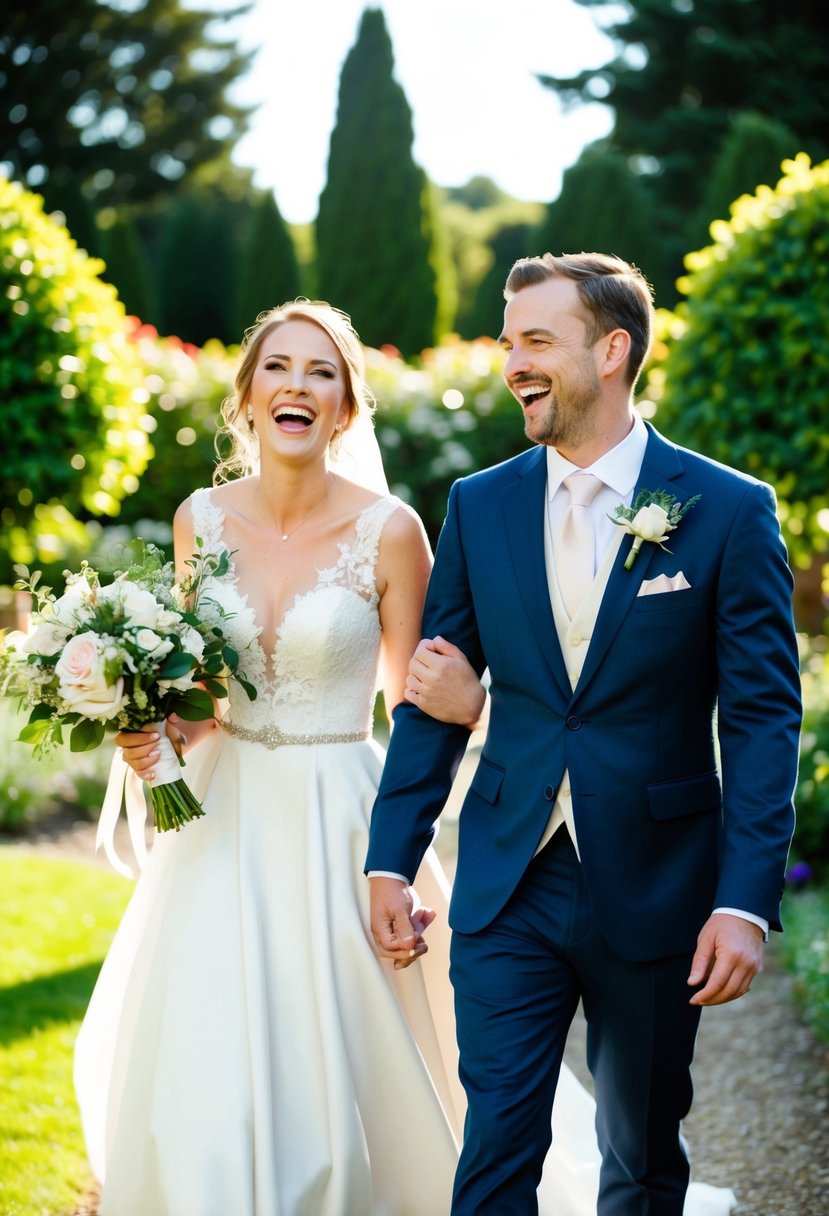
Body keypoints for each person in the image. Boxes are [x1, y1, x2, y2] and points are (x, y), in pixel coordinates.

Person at [367, 253, 802, 1215]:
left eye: (534, 341)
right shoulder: (478, 506)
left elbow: (765, 716)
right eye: (506, 340)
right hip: (506, 878)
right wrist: (389, 859)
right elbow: (431, 693)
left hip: (656, 883)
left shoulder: (729, 511)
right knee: (494, 1152)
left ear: (611, 350)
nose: (510, 361)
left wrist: (743, 901)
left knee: (641, 1156)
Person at [74, 299, 482, 1214]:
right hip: (221, 817)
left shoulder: (391, 530)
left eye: (321, 372)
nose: (297, 385)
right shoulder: (198, 519)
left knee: (336, 1051)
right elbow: (205, 700)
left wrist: (400, 859)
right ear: (248, 396)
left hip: (339, 813)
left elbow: (416, 705)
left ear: (344, 409)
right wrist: (150, 725)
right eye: (279, 368)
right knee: (205, 1042)